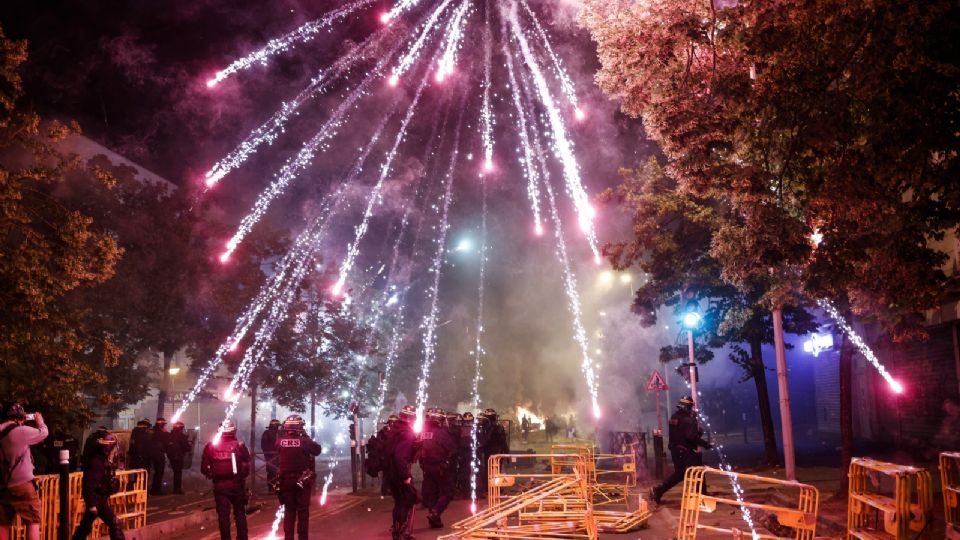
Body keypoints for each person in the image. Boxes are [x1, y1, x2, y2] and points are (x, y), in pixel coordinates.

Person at [650, 397, 711, 504]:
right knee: (698, 472)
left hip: (675, 450)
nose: (691, 409)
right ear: (687, 407)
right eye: (690, 407)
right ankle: (703, 498)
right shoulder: (689, 420)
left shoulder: (674, 418)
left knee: (680, 474)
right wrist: (705, 443)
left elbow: (680, 433)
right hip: (686, 450)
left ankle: (659, 490)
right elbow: (690, 437)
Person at [0, 403, 49, 540]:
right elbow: (44, 433)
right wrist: (40, 422)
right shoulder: (21, 431)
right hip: (22, 484)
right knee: (33, 521)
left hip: (2, 485)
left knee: (2, 523)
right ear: (20, 417)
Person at [201, 420, 250, 540]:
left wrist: (213, 474)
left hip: (220, 486)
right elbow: (246, 464)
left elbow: (204, 468)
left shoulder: (210, 446)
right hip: (237, 485)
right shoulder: (240, 446)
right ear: (234, 431)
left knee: (223, 516)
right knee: (240, 514)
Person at [71, 431, 124, 540]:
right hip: (97, 499)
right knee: (114, 523)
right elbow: (89, 484)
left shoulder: (102, 460)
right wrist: (91, 504)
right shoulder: (97, 462)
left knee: (85, 527)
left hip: (99, 499)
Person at [276, 414, 322, 540]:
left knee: (289, 512)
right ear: (300, 427)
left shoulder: (280, 441)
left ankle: (288, 538)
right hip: (302, 480)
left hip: (285, 481)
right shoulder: (304, 441)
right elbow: (317, 450)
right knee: (302, 512)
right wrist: (306, 436)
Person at [385, 405, 419, 540]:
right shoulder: (406, 433)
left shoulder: (394, 430)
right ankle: (401, 533)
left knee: (399, 501)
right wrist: (406, 477)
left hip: (390, 472)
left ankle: (398, 531)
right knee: (407, 500)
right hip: (399, 473)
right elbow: (400, 457)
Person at [419, 408, 456, 529]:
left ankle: (434, 519)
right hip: (441, 467)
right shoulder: (442, 433)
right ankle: (435, 512)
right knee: (448, 492)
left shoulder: (423, 433)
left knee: (432, 492)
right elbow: (451, 449)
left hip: (427, 467)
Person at [166, 421, 191, 495]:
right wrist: (189, 446)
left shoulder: (169, 435)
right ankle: (177, 489)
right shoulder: (181, 436)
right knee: (178, 473)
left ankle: (176, 488)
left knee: (175, 472)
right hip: (178, 457)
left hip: (171, 457)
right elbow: (187, 447)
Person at [455, 412, 474, 498]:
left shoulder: (473, 429)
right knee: (464, 472)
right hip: (463, 454)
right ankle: (464, 491)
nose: (468, 423)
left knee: (466, 473)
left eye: (469, 421)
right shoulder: (460, 430)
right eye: (466, 422)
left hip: (467, 454)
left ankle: (465, 491)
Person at [149, 418, 169, 495]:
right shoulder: (160, 433)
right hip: (159, 454)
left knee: (157, 472)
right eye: (163, 424)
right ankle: (157, 490)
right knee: (159, 472)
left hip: (154, 454)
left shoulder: (153, 431)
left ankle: (155, 488)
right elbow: (167, 440)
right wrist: (166, 433)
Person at [261, 419, 281, 490]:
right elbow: (264, 445)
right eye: (277, 426)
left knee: (271, 472)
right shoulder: (267, 433)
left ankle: (272, 488)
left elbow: (263, 445)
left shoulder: (266, 433)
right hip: (271, 456)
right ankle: (272, 488)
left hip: (271, 456)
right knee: (272, 472)